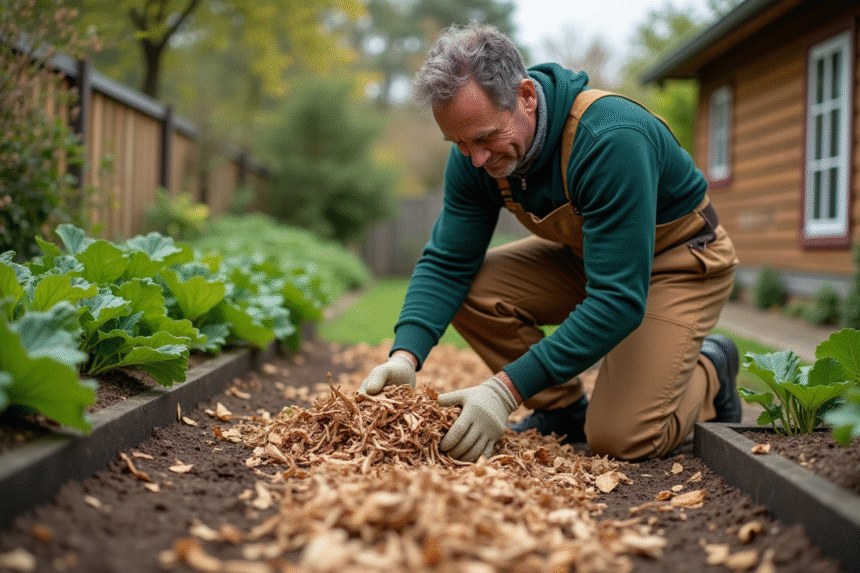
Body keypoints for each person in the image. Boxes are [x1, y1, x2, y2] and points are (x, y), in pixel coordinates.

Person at [358, 23, 741, 463]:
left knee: (621, 438)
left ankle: (712, 370)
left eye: (484, 138)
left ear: (525, 96)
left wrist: (504, 390)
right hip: (593, 257)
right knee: (473, 291)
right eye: (459, 143)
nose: (476, 158)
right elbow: (448, 262)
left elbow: (617, 301)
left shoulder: (610, 138)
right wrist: (404, 356)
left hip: (679, 261)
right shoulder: (474, 154)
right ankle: (563, 410)